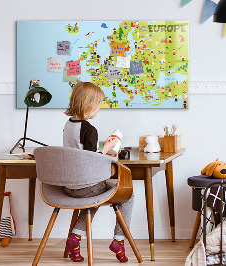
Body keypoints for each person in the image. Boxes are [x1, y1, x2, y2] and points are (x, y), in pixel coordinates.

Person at [63, 82, 133, 263]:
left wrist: (103, 149)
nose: (98, 109)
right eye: (98, 105)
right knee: (128, 194)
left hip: (69, 186)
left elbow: (80, 154)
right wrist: (108, 148)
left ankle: (75, 238)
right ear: (89, 105)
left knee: (93, 197)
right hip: (86, 186)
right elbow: (91, 161)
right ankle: (119, 240)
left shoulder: (68, 125)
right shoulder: (89, 129)